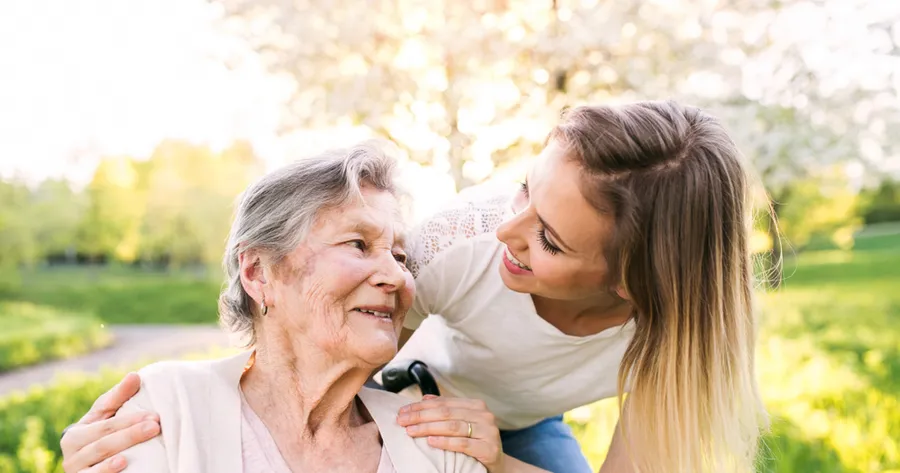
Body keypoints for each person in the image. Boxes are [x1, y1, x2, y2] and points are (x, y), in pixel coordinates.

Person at [61, 101, 769, 473]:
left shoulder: (685, 327)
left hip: (510, 427)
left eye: (549, 239)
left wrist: (492, 459)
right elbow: (318, 337)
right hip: (426, 384)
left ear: (635, 286)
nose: (507, 231)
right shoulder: (457, 241)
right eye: (524, 189)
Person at [60, 142, 489, 473]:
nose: (396, 277)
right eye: (358, 244)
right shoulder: (166, 408)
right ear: (259, 273)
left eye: (399, 257)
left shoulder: (437, 443)